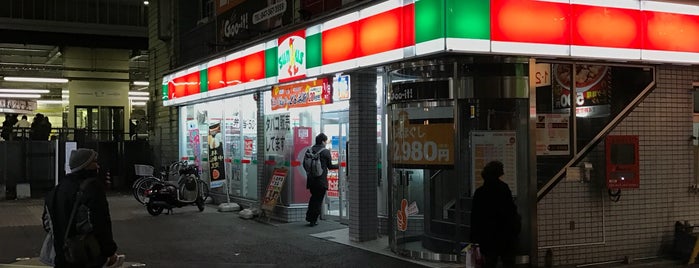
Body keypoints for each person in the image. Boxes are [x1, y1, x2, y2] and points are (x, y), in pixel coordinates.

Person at [43, 148, 119, 267]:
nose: (98, 166)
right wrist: (109, 251)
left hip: (62, 254)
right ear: (85, 165)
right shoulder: (92, 188)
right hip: (87, 255)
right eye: (94, 162)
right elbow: (101, 222)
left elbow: (47, 224)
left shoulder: (57, 190)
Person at [470, 160, 521, 268]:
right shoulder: (504, 188)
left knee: (489, 262)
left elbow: (475, 216)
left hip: (487, 236)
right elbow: (511, 211)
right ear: (498, 173)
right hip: (505, 234)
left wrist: (474, 237)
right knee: (508, 262)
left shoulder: (480, 192)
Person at [305, 133, 338, 227]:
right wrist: (340, 165)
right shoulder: (325, 151)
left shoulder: (309, 150)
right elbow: (330, 167)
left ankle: (309, 217)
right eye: (326, 141)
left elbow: (305, 165)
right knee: (318, 200)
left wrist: (311, 173)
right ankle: (313, 220)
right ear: (323, 141)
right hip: (321, 181)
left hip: (311, 180)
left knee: (313, 198)